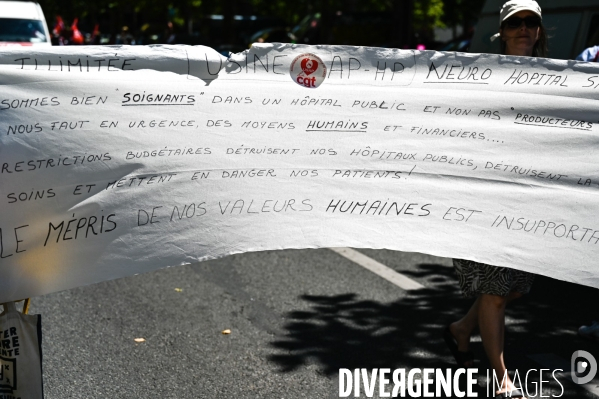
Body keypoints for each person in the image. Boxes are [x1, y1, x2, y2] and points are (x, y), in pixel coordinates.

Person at [443, 2, 546, 398]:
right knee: (497, 292)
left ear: (539, 30)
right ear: (502, 32)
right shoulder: (480, 75)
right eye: (514, 23)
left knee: (514, 288)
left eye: (530, 22)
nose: (523, 28)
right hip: (483, 198)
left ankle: (461, 329)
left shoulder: (560, 78)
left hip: (528, 202)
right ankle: (502, 379)